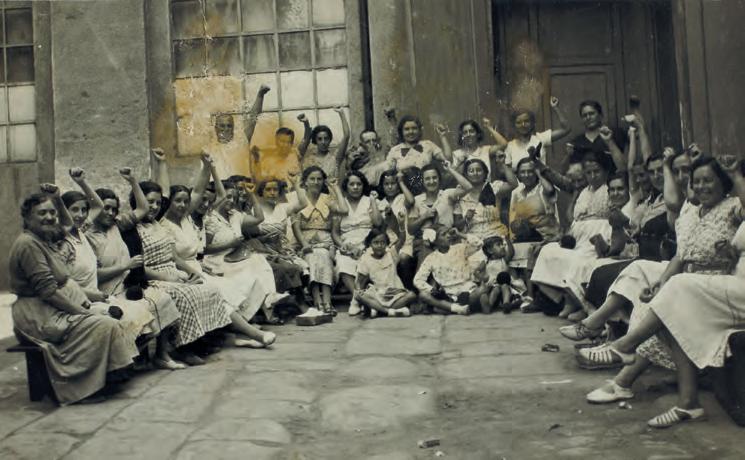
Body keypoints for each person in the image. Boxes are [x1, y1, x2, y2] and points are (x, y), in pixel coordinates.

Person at [577, 156, 744, 416]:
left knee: (673, 302)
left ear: (723, 182)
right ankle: (681, 400)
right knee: (665, 300)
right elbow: (681, 256)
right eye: (697, 182)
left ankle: (624, 356)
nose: (702, 187)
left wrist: (735, 175)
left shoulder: (733, 206)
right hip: (693, 283)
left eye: (708, 181)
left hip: (714, 286)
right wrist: (660, 283)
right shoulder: (698, 213)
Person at [9, 190, 139, 404]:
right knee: (103, 324)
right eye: (42, 213)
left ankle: (104, 378)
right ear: (27, 218)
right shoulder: (28, 245)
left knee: (109, 318)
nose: (49, 217)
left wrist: (56, 197)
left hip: (52, 308)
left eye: (52, 212)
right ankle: (82, 388)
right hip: (39, 315)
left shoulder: (44, 238)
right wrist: (82, 312)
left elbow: (69, 224)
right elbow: (49, 292)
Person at [529, 152, 618, 316]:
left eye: (597, 171)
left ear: (606, 171)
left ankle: (583, 305)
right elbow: (560, 181)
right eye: (588, 172)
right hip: (578, 237)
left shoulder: (611, 188)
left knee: (578, 260)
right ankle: (567, 298)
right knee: (548, 252)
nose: (592, 176)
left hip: (598, 237)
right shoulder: (583, 191)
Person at [292, 166, 349, 314]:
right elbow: (296, 227)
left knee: (323, 255)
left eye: (319, 179)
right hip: (305, 243)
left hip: (326, 243)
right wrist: (304, 244)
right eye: (312, 179)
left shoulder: (327, 199)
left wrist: (335, 188)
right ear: (305, 181)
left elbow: (344, 210)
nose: (316, 182)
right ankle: (319, 302)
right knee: (312, 256)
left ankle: (326, 302)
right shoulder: (300, 199)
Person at [332, 171, 383, 316]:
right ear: (346, 186)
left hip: (368, 243)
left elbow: (378, 223)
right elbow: (335, 233)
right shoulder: (340, 204)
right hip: (348, 244)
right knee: (343, 262)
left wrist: (373, 201)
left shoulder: (369, 201)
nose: (355, 187)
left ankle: (358, 300)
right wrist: (342, 245)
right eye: (352, 184)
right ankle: (360, 299)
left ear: (363, 186)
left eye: (359, 184)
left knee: (367, 262)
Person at [407, 162, 473, 267]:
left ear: (439, 179)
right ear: (422, 181)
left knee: (455, 264)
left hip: (447, 238)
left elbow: (468, 187)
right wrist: (424, 216)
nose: (431, 181)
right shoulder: (417, 200)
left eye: (434, 178)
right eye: (427, 179)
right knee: (426, 265)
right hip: (425, 242)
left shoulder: (447, 194)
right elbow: (410, 230)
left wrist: (450, 169)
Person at [413, 226, 482, 315]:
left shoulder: (460, 248)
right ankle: (457, 308)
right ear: (435, 241)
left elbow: (479, 244)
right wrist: (432, 290)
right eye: (443, 234)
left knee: (480, 292)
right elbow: (417, 280)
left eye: (448, 233)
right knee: (423, 295)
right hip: (448, 294)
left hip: (467, 289)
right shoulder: (431, 258)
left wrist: (460, 234)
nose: (448, 236)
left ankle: (447, 308)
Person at [208, 84, 270, 179]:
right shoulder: (211, 148)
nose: (226, 129)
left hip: (241, 184)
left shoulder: (240, 142)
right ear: (216, 128)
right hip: (218, 186)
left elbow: (253, 117)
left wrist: (260, 95)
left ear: (233, 128)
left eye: (229, 126)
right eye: (222, 126)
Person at [354, 228, 416, 318]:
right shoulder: (365, 259)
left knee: (412, 295)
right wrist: (359, 291)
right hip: (378, 294)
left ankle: (378, 310)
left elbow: (402, 239)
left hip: (395, 293)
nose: (379, 245)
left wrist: (401, 225)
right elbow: (359, 281)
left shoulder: (391, 254)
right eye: (376, 243)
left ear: (387, 244)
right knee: (358, 295)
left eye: (382, 242)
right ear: (370, 244)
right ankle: (389, 311)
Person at [455, 156, 517, 242]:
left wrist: (502, 164)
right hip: (473, 239)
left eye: (479, 170)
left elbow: (513, 184)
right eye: (471, 171)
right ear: (466, 175)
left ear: (485, 173)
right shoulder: (461, 193)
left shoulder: (494, 188)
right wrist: (466, 219)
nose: (475, 173)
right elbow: (457, 224)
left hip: (495, 235)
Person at [386, 115, 451, 193]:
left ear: (419, 130)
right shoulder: (395, 150)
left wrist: (442, 136)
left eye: (414, 128)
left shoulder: (428, 145)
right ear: (401, 131)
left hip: (427, 191)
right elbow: (388, 174)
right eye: (407, 129)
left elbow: (447, 158)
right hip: (404, 193)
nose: (411, 131)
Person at [504, 96, 571, 169]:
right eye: (518, 122)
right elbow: (508, 171)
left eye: (526, 121)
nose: (523, 125)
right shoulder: (510, 146)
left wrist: (555, 108)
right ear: (514, 125)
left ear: (532, 123)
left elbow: (566, 129)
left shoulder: (541, 138)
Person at [472, 236, 523, 314]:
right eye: (498, 245)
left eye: (502, 244)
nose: (502, 246)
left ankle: (506, 303)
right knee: (495, 290)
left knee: (504, 286)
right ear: (490, 250)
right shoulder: (486, 261)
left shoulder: (503, 260)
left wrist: (508, 240)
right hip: (492, 286)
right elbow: (476, 272)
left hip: (505, 285)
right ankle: (489, 306)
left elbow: (511, 253)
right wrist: (483, 278)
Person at [570, 100, 625, 171]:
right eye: (584, 115)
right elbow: (575, 171)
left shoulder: (615, 134)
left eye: (591, 113)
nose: (588, 117)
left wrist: (609, 141)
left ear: (600, 115)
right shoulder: (577, 142)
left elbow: (623, 167)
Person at [299, 108, 350, 178]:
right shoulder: (309, 159)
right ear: (315, 141)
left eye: (326, 139)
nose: (323, 142)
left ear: (330, 140)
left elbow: (346, 136)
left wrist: (341, 113)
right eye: (319, 139)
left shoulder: (335, 158)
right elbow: (305, 142)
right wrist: (306, 123)